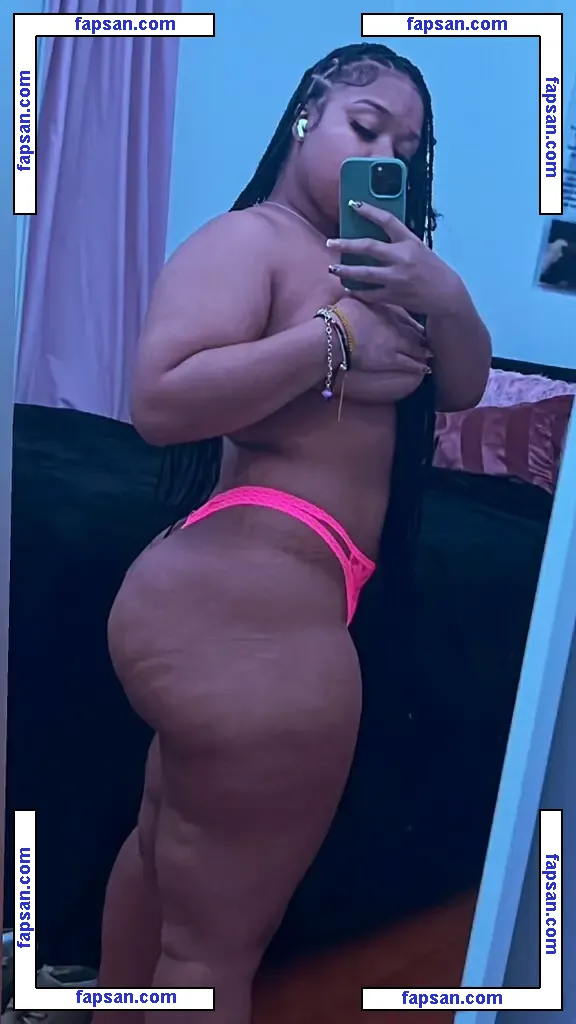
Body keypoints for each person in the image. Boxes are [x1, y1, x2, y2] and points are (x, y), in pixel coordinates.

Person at [95, 43, 491, 1024]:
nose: (386, 155)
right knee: (213, 951)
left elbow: (464, 385)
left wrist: (441, 293)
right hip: (247, 602)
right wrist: (336, 340)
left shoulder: (380, 271)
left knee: (162, 862)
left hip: (235, 604)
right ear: (308, 112)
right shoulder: (254, 241)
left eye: (408, 148)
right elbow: (159, 401)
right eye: (367, 127)